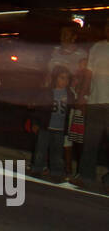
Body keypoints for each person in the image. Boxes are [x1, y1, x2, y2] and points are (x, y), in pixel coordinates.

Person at [43, 25, 87, 176]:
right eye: (62, 34)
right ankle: (50, 164)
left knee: (67, 133)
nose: (63, 37)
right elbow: (48, 73)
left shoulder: (80, 54)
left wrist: (80, 95)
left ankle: (69, 168)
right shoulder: (55, 51)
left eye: (67, 34)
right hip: (52, 96)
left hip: (69, 97)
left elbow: (84, 77)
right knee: (49, 128)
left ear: (74, 37)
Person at [73, 19, 109, 189]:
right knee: (90, 141)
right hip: (95, 100)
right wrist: (82, 96)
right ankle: (86, 176)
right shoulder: (97, 47)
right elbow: (89, 73)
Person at [29, 65, 75, 181]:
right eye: (62, 78)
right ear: (55, 78)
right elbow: (38, 109)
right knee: (41, 150)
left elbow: (70, 111)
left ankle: (56, 172)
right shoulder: (47, 93)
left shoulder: (69, 94)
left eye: (67, 79)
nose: (65, 81)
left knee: (57, 153)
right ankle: (37, 169)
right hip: (46, 126)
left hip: (59, 128)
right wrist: (35, 122)